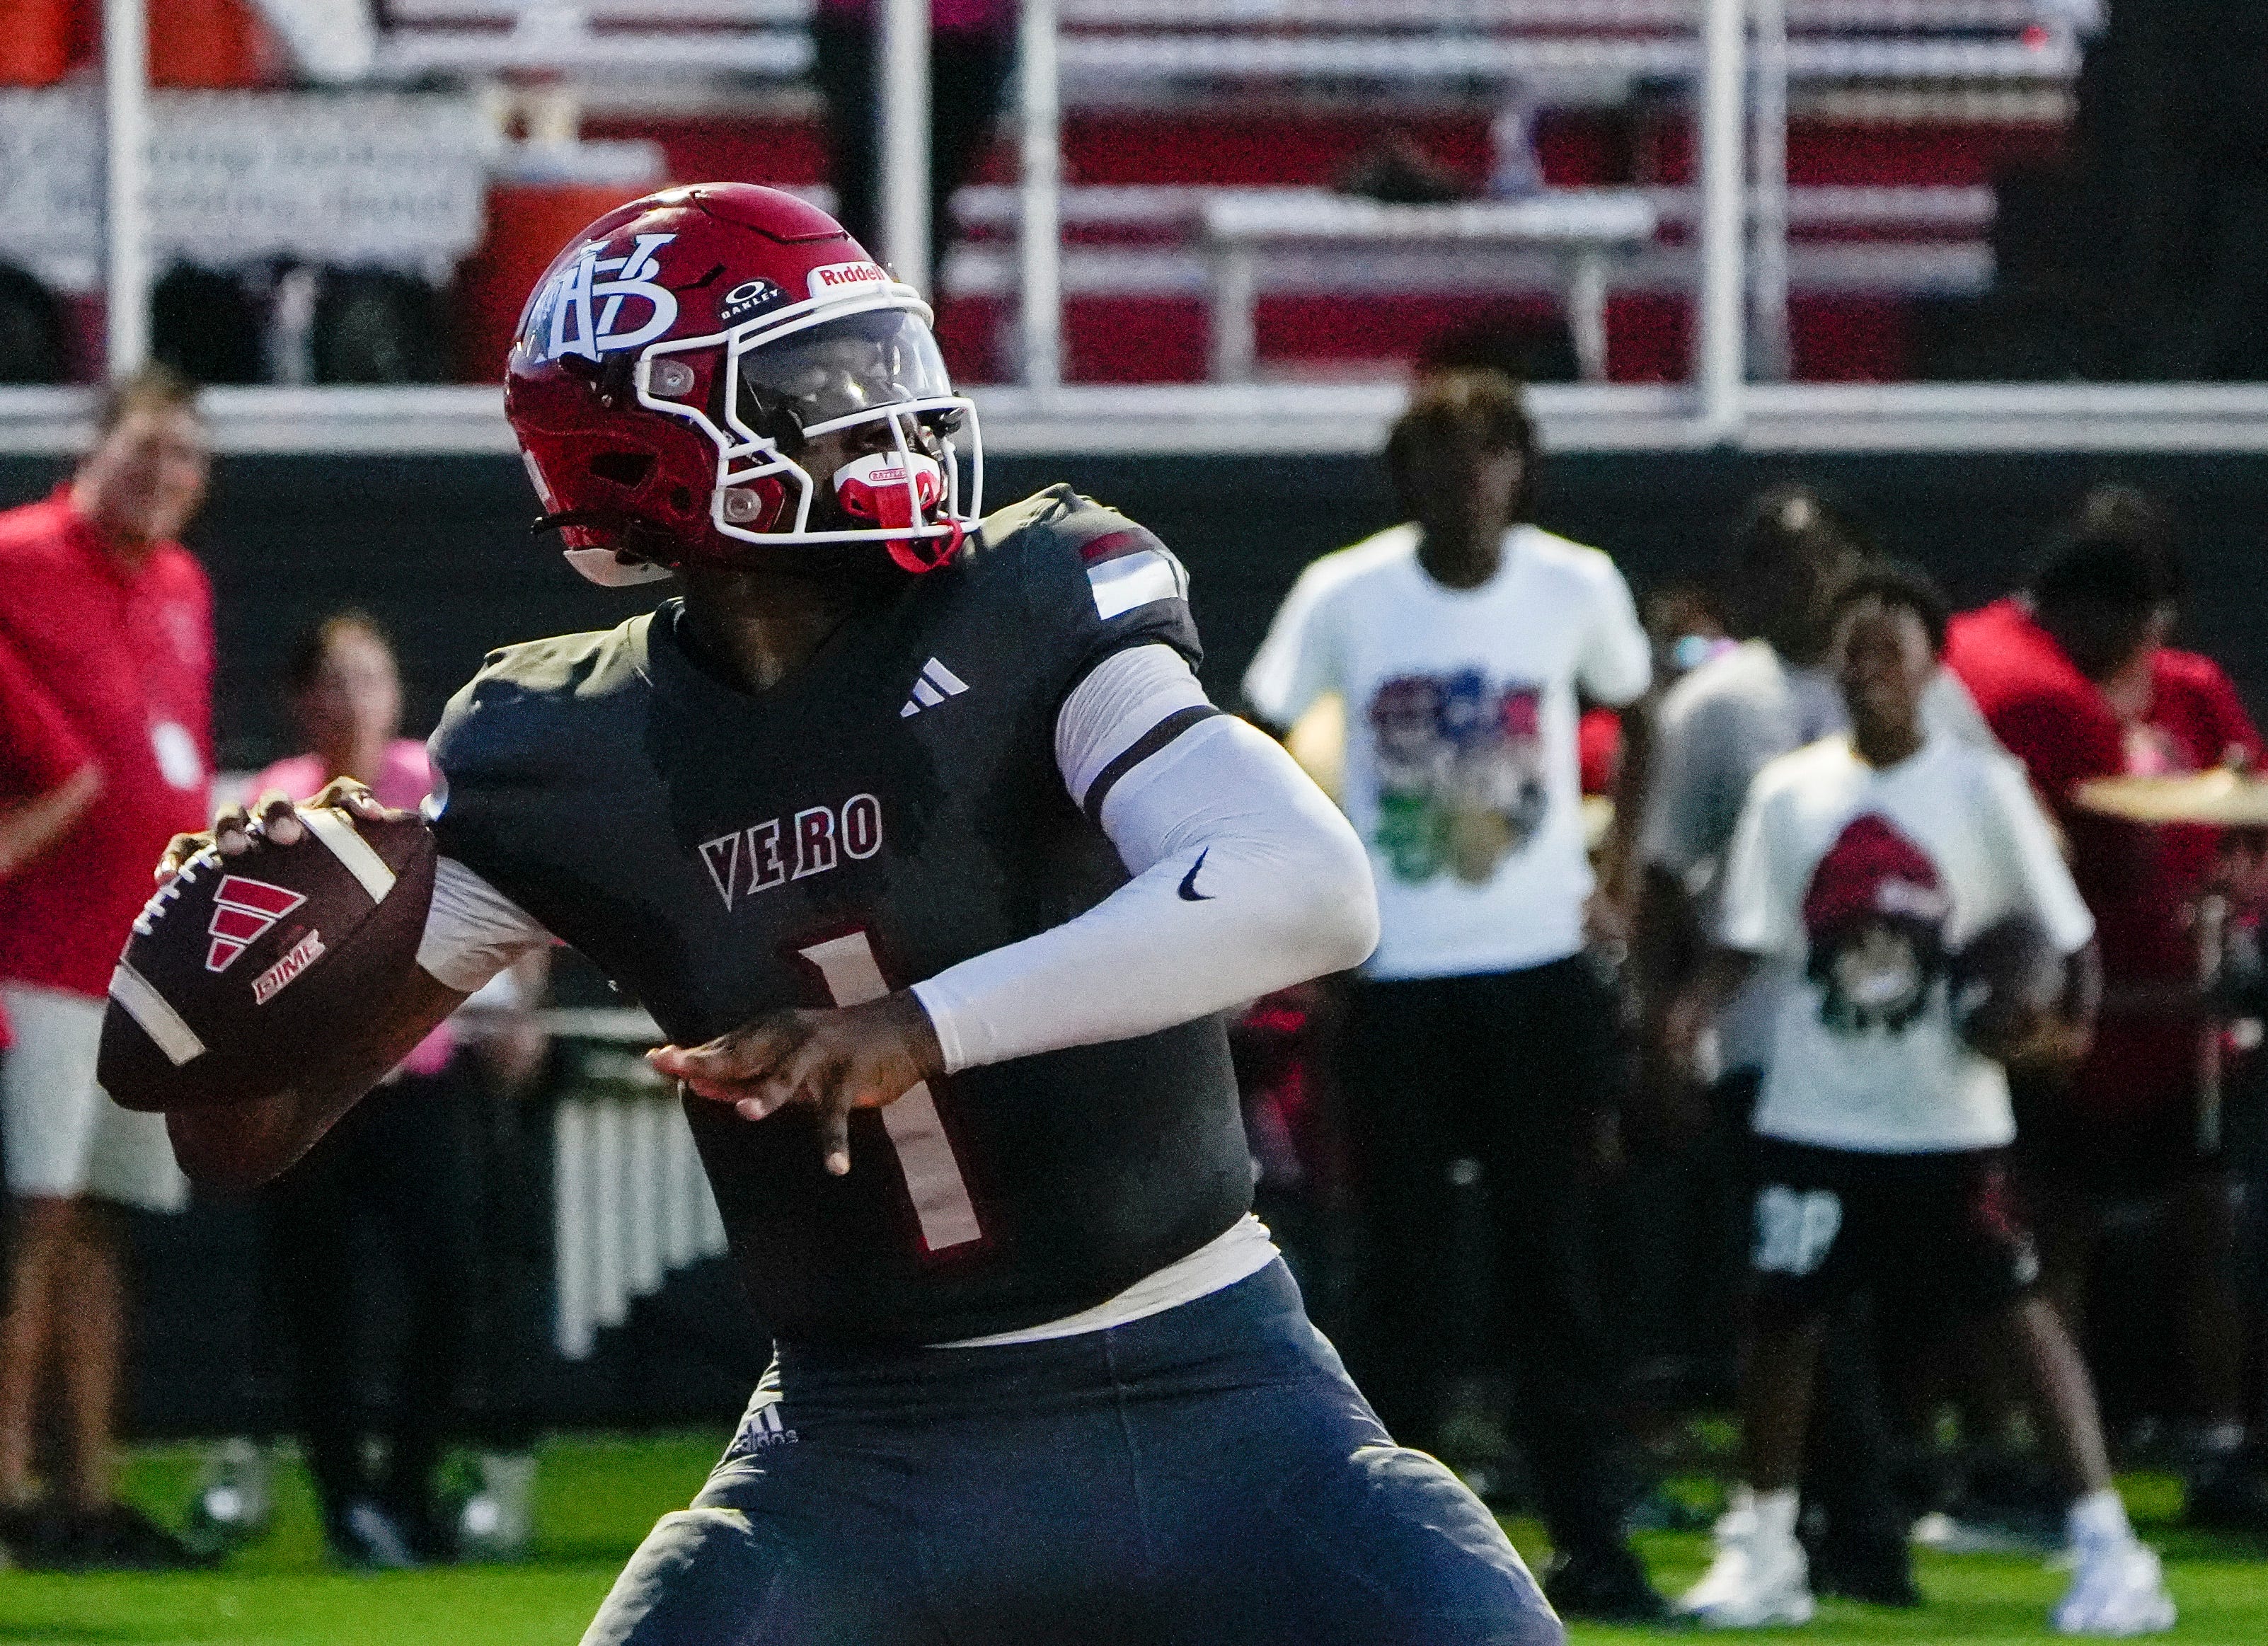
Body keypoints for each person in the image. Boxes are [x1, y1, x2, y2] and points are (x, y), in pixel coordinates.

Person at [154, 184, 1563, 1646]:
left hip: (1220, 1393)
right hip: (861, 1451)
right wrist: (230, 969)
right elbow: (242, 1135)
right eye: (820, 385)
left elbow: (1308, 885)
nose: (892, 415)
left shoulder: (1030, 598)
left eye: (888, 363)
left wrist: (919, 1026)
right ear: (643, 447)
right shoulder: (558, 751)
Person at [1667, 565, 2173, 1635]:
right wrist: (1688, 1013)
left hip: (1945, 1112)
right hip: (1815, 1102)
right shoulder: (1792, 791)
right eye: (1853, 653)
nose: (1870, 673)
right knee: (1781, 1319)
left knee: (2016, 1313)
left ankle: (2109, 1545)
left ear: (1932, 669)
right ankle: (1764, 1543)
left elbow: (2062, 934)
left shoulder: (1980, 788)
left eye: (1889, 653)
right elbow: (1751, 934)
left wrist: (2055, 1026)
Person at [1242, 368, 1663, 1621]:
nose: (1467, 482)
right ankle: (1395, 1549)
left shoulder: (1575, 585)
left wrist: (1618, 881)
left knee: (1555, 1263)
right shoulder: (1347, 593)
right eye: (1441, 458)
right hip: (1399, 972)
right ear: (1406, 479)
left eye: (1487, 455)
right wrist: (1313, 890)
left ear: (1521, 470)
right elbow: (1258, 728)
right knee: (1399, 1273)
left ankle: (1592, 1535)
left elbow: (1644, 713)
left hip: (1536, 970)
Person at [1943, 488, 2265, 1522]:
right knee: (2049, 1232)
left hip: (2179, 1011)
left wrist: (2237, 879)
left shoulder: (2190, 688)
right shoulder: (2026, 686)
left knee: (2205, 1227)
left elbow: (2248, 806)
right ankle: (2042, 1456)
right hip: (2072, 1010)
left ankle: (2218, 1439)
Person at [0, 366, 214, 1570]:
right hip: (31, 949)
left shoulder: (182, 583)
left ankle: (88, 1489)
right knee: (31, 1218)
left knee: (103, 1223)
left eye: (183, 456)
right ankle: (10, 1489)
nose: (162, 475)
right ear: (94, 448)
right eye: (145, 449)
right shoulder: (19, 557)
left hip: (141, 962)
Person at [244, 611, 500, 1567]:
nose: (358, 700)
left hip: (415, 1080)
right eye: (339, 680)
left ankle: (406, 1487)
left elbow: (500, 893)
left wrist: (513, 1003)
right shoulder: (277, 802)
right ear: (304, 700)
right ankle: (346, 1501)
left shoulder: (429, 786)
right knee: (319, 1298)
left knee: (448, 1279)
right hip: (312, 1093)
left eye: (374, 677)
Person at [811, 0, 1018, 289]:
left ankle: (905, 300)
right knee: (865, 186)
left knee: (933, 191)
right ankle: (863, 299)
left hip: (965, 34)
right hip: (863, 28)